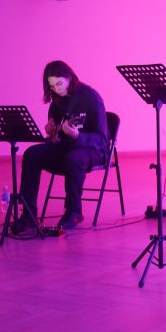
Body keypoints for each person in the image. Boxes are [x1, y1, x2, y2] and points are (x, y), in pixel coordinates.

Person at [14, 60, 108, 232]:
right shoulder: (58, 97)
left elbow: (102, 139)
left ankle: (74, 212)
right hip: (66, 147)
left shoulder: (91, 97)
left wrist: (78, 136)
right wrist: (51, 122)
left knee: (73, 159)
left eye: (59, 84)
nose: (56, 90)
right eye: (52, 86)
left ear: (70, 78)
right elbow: (54, 110)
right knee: (31, 154)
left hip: (92, 150)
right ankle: (29, 214)